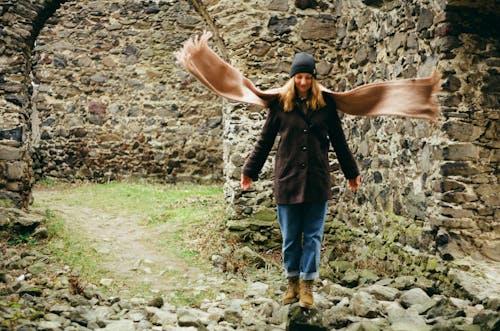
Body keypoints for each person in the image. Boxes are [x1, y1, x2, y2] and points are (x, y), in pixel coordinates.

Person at [240, 52, 361, 308]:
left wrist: (351, 172)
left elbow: (339, 141)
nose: (304, 82)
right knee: (291, 237)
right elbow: (264, 141)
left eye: (308, 77)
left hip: (317, 181)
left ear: (314, 79)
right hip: (288, 181)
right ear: (292, 78)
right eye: (299, 77)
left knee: (314, 236)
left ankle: (308, 286)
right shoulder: (280, 105)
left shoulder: (326, 106)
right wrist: (249, 170)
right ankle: (292, 283)